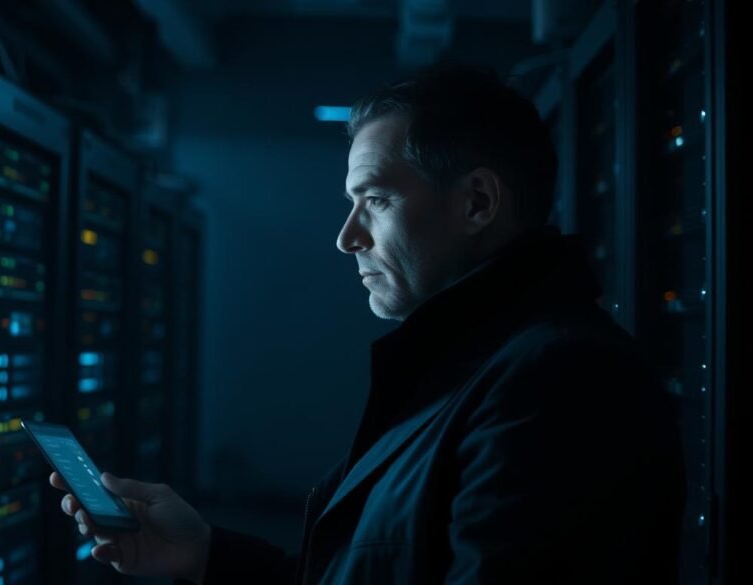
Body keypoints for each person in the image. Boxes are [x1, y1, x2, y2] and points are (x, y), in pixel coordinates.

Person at [49, 63, 686, 584]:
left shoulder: (560, 384)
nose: (347, 237)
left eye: (375, 200)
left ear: (478, 203)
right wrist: (206, 555)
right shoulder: (475, 367)